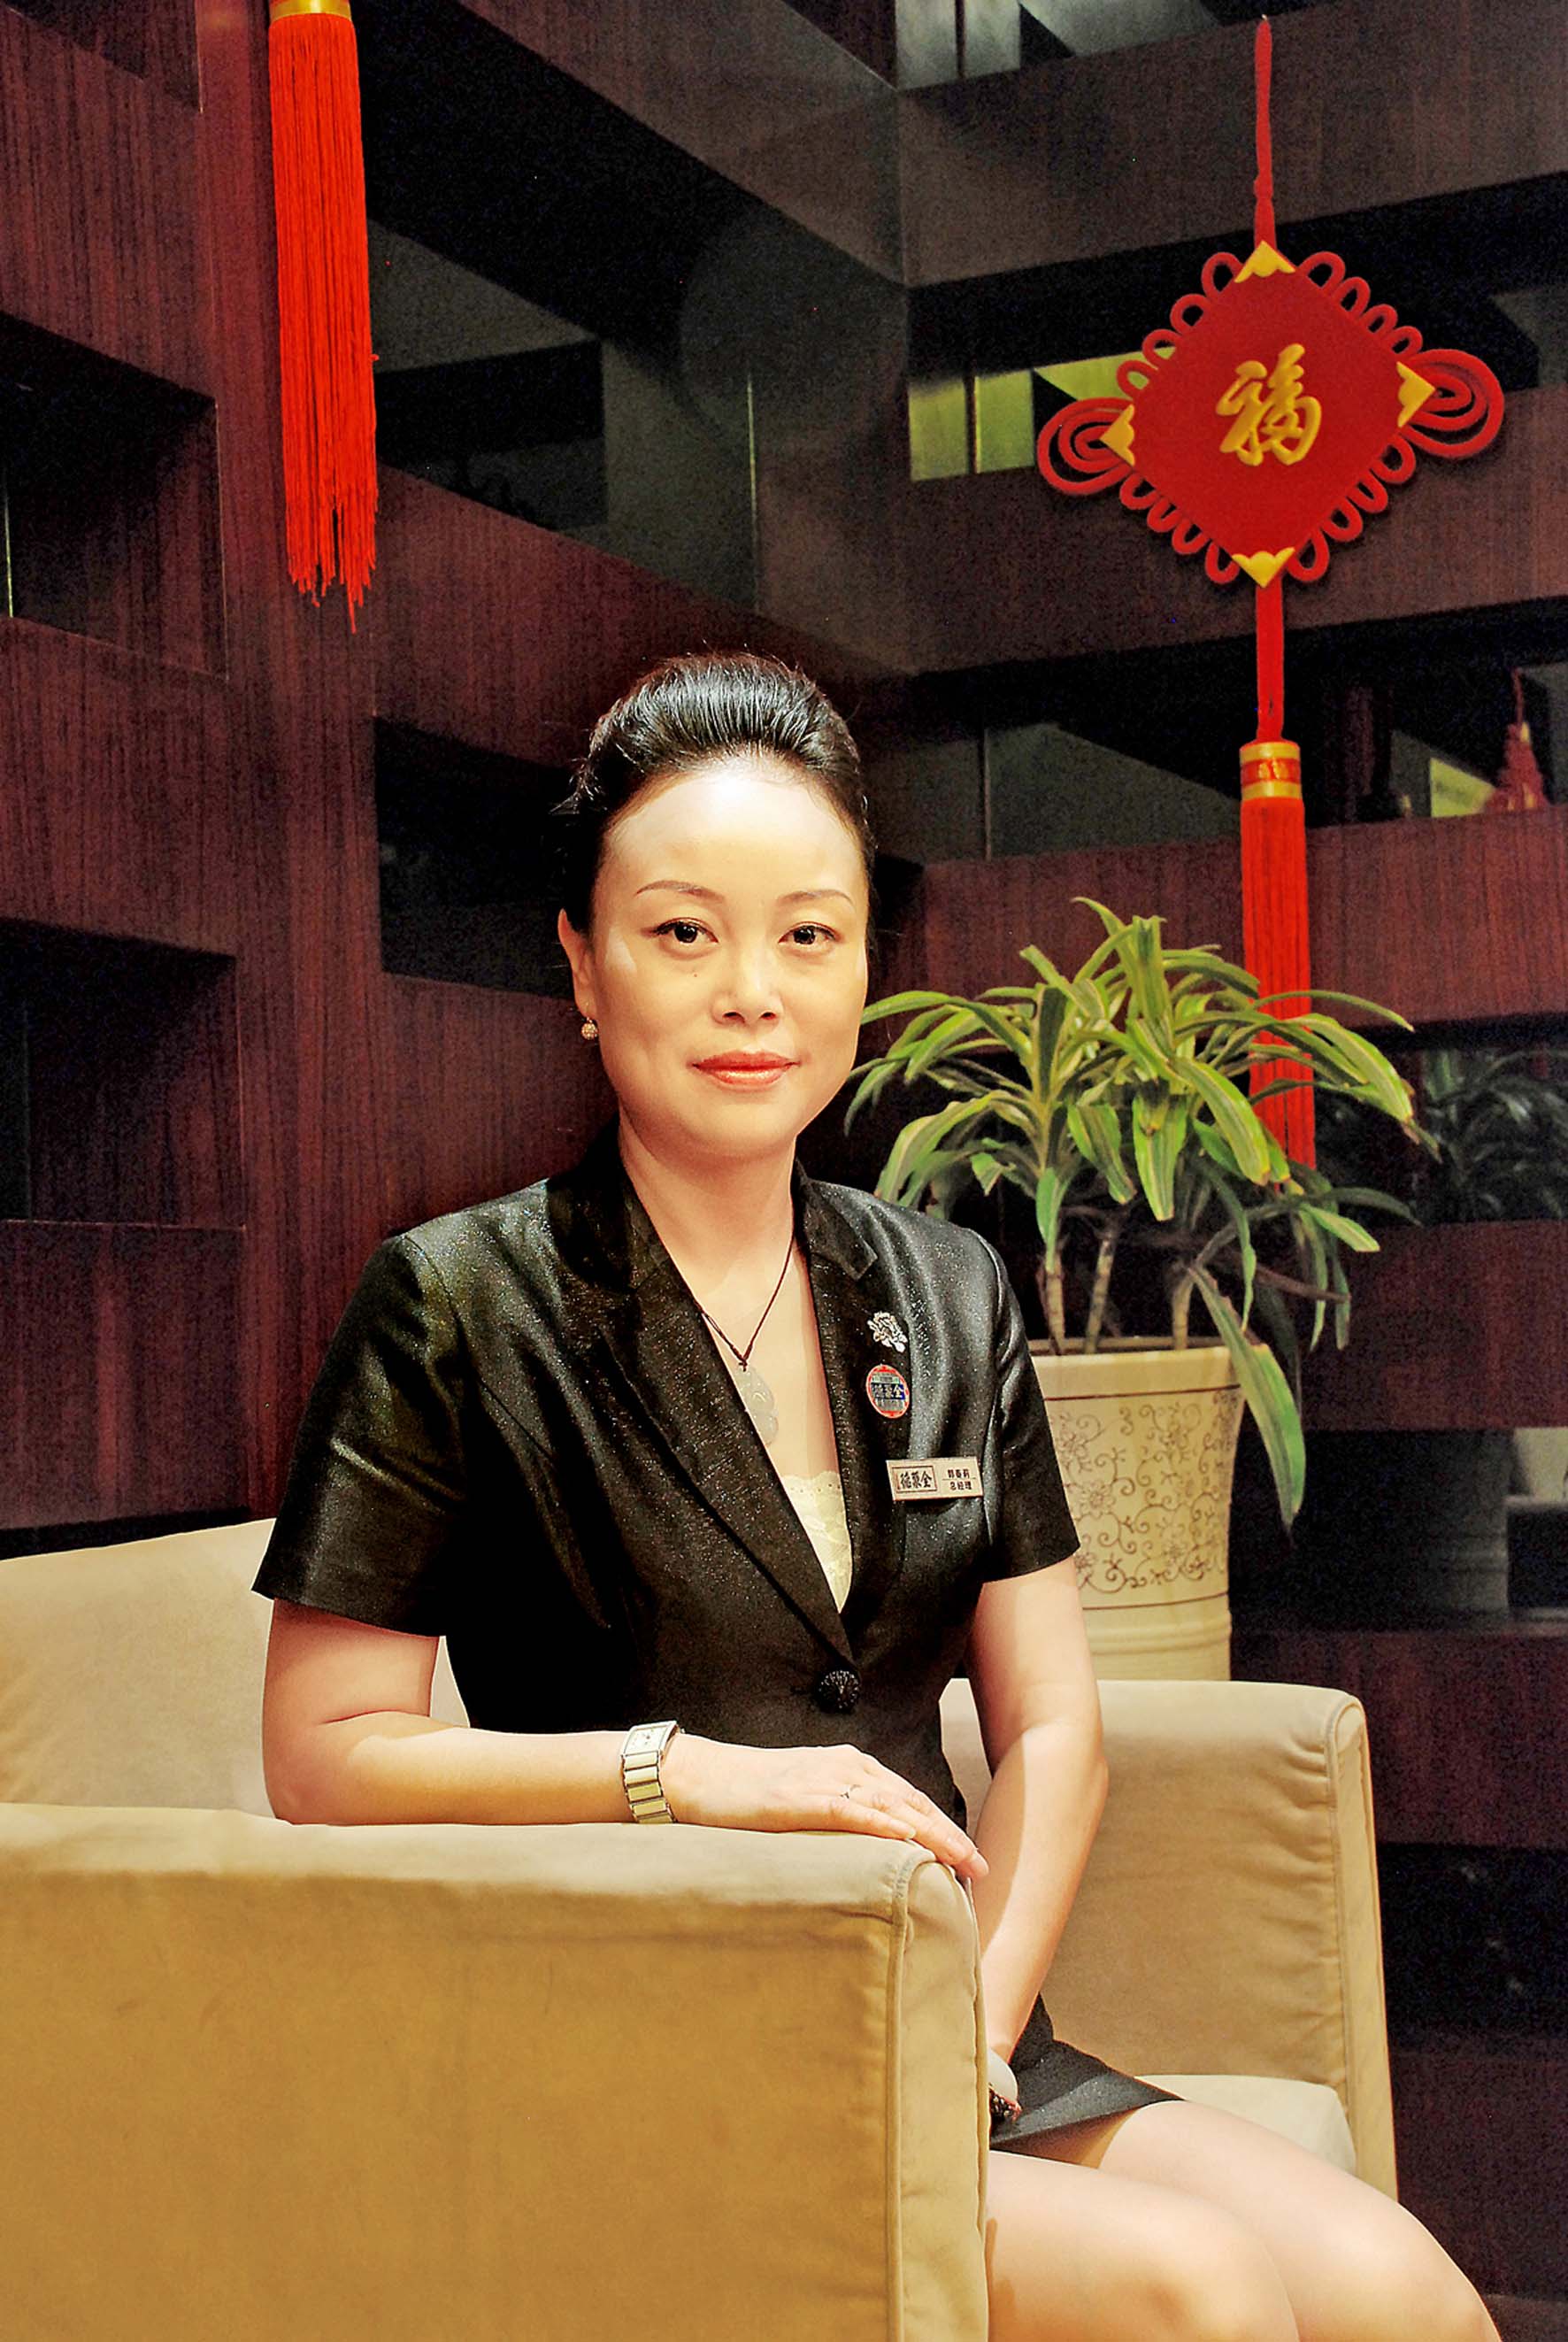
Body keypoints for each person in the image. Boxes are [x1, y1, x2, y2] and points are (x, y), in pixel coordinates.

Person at [254, 651, 1498, 2342]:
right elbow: (322, 1757)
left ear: (861, 968)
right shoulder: (455, 1301)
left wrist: (972, 2025)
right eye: (683, 932)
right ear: (583, 965)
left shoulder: (951, 1288)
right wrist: (684, 1775)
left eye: (808, 934)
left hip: (935, 2011)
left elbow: (1051, 1726)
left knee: (1402, 2292)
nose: (751, 992)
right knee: (1196, 2292)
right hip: (634, 2031)